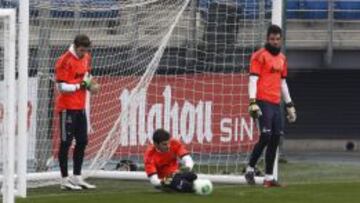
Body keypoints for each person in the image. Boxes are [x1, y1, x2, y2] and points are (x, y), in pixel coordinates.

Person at [245, 25, 297, 188]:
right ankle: (249, 169)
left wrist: (289, 104)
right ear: (267, 39)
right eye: (272, 39)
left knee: (275, 138)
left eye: (277, 39)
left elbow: (283, 83)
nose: (275, 42)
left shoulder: (282, 58)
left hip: (275, 103)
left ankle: (268, 177)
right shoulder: (259, 56)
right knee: (266, 136)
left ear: (281, 40)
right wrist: (252, 102)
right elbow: (253, 80)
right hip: (262, 101)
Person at [55, 34, 100, 190]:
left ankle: (77, 177)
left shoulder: (86, 57)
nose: (83, 53)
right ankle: (64, 179)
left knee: (82, 141)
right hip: (67, 107)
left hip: (80, 107)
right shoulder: (64, 60)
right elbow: (60, 86)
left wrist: (91, 85)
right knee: (66, 143)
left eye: (85, 50)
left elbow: (87, 76)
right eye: (81, 50)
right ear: (75, 46)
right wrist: (79, 86)